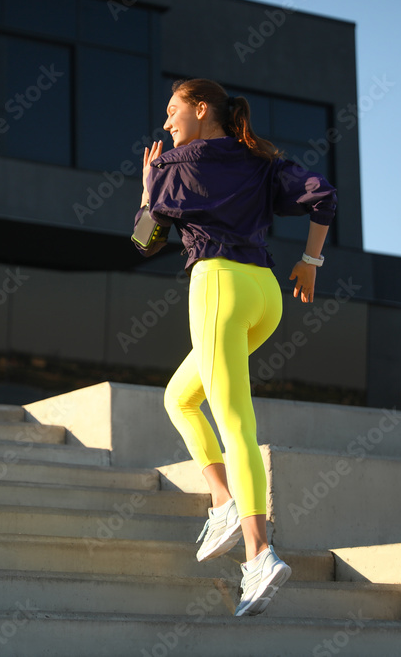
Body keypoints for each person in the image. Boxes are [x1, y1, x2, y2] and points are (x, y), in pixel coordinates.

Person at [133, 78, 336, 616]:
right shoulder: (259, 159)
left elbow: (143, 240)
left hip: (218, 287)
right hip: (265, 294)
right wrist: (310, 264)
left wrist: (149, 186)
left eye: (173, 111)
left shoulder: (175, 164)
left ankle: (259, 553)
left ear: (202, 110)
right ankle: (223, 501)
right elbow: (323, 196)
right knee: (179, 398)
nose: (167, 123)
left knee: (236, 424)